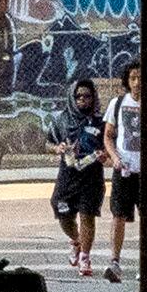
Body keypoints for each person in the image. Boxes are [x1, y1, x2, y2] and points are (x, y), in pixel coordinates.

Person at [47, 77, 105, 277]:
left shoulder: (100, 120)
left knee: (87, 214)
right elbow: (48, 143)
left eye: (87, 96)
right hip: (68, 174)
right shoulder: (62, 119)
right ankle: (76, 240)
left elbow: (109, 142)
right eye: (78, 96)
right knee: (61, 208)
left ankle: (85, 257)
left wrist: (105, 154)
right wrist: (57, 148)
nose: (82, 100)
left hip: (91, 176)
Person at [99, 63, 143, 282]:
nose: (137, 83)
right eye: (133, 78)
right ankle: (114, 262)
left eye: (141, 78)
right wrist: (115, 157)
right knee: (118, 215)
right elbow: (108, 135)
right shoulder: (117, 104)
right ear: (127, 80)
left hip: (146, 171)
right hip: (124, 168)